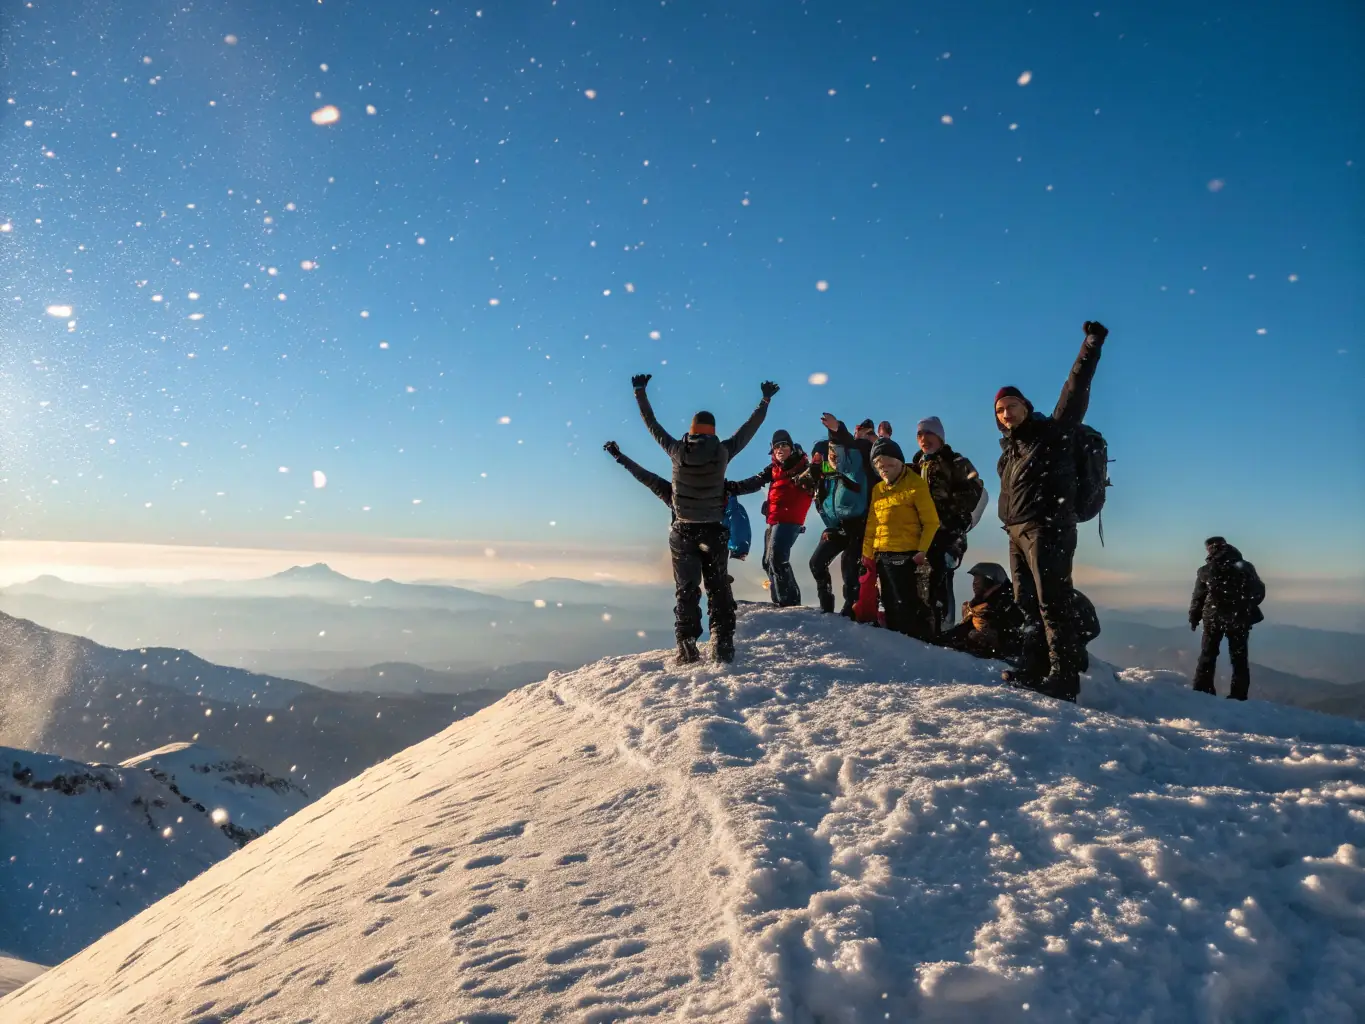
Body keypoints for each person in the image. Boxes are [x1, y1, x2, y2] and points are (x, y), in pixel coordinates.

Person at [994, 321, 1109, 701]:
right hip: (1015, 531)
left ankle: (1064, 678)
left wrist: (1089, 346)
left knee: (1052, 602)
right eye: (1000, 410)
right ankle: (1036, 666)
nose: (1006, 414)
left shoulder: (1054, 433)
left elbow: (1075, 392)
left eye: (1012, 406)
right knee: (1026, 602)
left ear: (1026, 407)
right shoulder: (1010, 450)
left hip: (1048, 528)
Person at [632, 373, 778, 664]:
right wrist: (764, 401)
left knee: (686, 590)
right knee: (718, 587)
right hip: (713, 531)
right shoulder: (723, 451)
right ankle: (722, 643)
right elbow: (749, 430)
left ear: (692, 429)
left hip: (683, 531)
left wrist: (640, 391)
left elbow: (651, 424)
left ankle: (686, 645)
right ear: (712, 430)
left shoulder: (676, 449)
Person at [910, 416, 985, 632]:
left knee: (941, 577)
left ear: (940, 437)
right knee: (923, 580)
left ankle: (943, 626)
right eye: (920, 435)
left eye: (929, 434)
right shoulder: (917, 465)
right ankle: (925, 624)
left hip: (947, 532)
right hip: (922, 532)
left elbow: (974, 489)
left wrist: (952, 516)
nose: (924, 439)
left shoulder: (955, 461)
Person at [861, 437, 940, 639]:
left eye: (890, 464)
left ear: (900, 463)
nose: (885, 469)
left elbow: (931, 522)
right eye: (880, 466)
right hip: (882, 554)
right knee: (888, 602)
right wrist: (867, 554)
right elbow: (872, 524)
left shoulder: (915, 485)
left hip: (908, 555)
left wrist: (922, 550)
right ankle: (896, 647)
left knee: (906, 604)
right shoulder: (877, 490)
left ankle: (914, 645)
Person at [730, 430, 812, 607]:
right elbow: (754, 482)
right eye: (776, 447)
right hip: (775, 519)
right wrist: (731, 488)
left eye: (784, 445)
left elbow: (813, 480)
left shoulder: (802, 465)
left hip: (791, 518)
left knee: (777, 559)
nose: (780, 449)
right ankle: (779, 600)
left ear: (791, 447)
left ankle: (788, 603)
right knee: (767, 562)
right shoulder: (774, 468)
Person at [800, 432, 874, 615]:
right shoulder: (820, 480)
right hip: (836, 528)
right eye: (814, 456)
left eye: (820, 455)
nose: (816, 459)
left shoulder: (846, 471)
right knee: (816, 563)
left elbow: (843, 468)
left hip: (857, 525)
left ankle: (852, 607)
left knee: (849, 566)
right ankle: (826, 605)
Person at [1188, 537, 1266, 700]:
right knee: (1239, 659)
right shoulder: (1245, 567)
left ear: (1209, 549)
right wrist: (1245, 605)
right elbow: (1259, 591)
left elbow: (1198, 597)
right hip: (1240, 619)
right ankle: (1238, 695)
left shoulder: (1205, 570)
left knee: (1208, 655)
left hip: (1213, 619)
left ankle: (1203, 690)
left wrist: (1194, 617)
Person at [934, 562, 1025, 660]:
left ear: (990, 581)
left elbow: (1008, 636)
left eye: (978, 580)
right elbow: (965, 628)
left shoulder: (1003, 605)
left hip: (1003, 658)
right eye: (974, 580)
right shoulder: (983, 605)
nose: (974, 584)